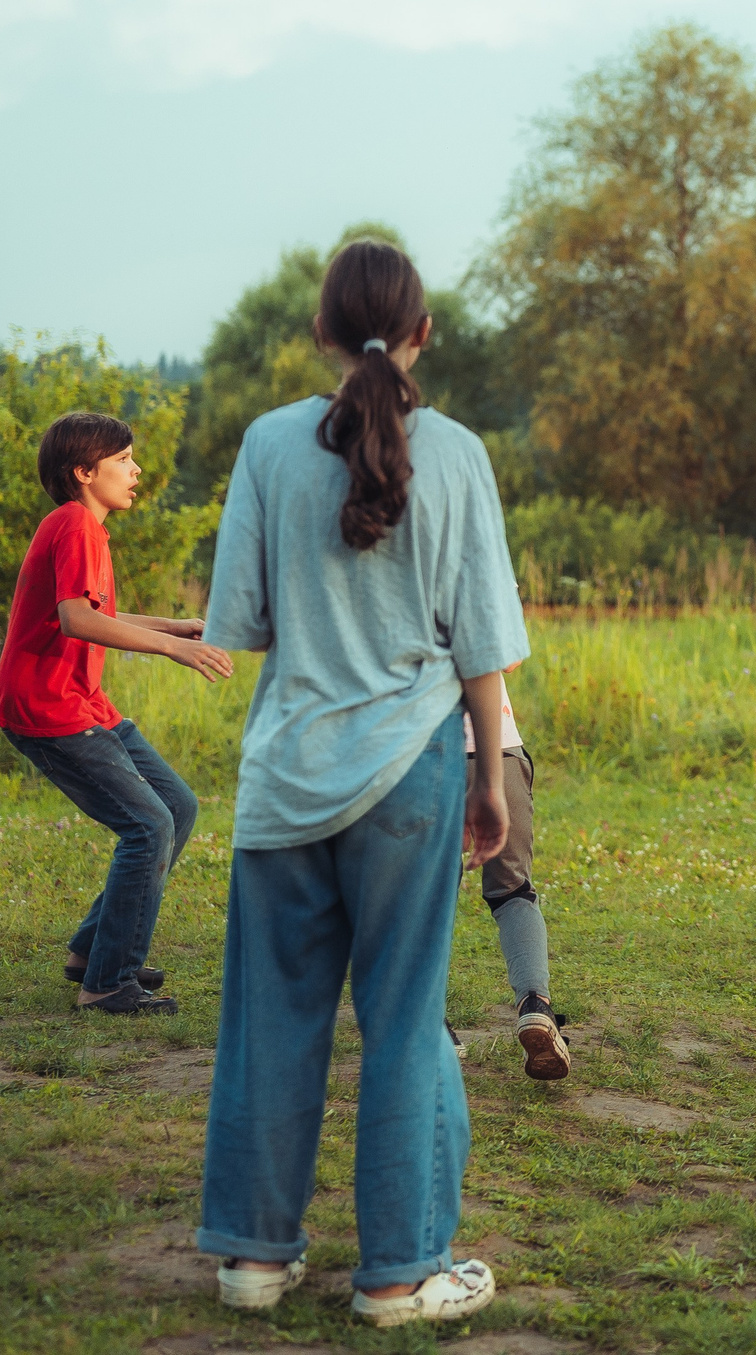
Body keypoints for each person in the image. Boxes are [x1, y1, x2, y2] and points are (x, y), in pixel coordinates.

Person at [194, 239, 527, 1327]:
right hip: (411, 772)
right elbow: (481, 639)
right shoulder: (462, 454)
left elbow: (238, 623)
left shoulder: (265, 445)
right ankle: (397, 1274)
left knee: (270, 1020)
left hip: (287, 775)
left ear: (320, 336)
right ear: (422, 333)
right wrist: (488, 776)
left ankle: (251, 1260)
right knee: (404, 1019)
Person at [0, 412, 234, 1016]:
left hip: (82, 702)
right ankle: (106, 984)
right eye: (123, 459)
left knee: (177, 805)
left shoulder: (85, 528)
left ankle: (93, 949)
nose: (136, 469)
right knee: (148, 826)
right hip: (47, 708)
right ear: (83, 472)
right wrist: (176, 648)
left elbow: (97, 615)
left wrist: (175, 625)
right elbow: (77, 620)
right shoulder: (74, 524)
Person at [464, 669, 570, 1079]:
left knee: (425, 895)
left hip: (421, 753)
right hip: (498, 749)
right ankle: (535, 1006)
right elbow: (502, 661)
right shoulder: (484, 598)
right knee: (513, 890)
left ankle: (428, 1020)